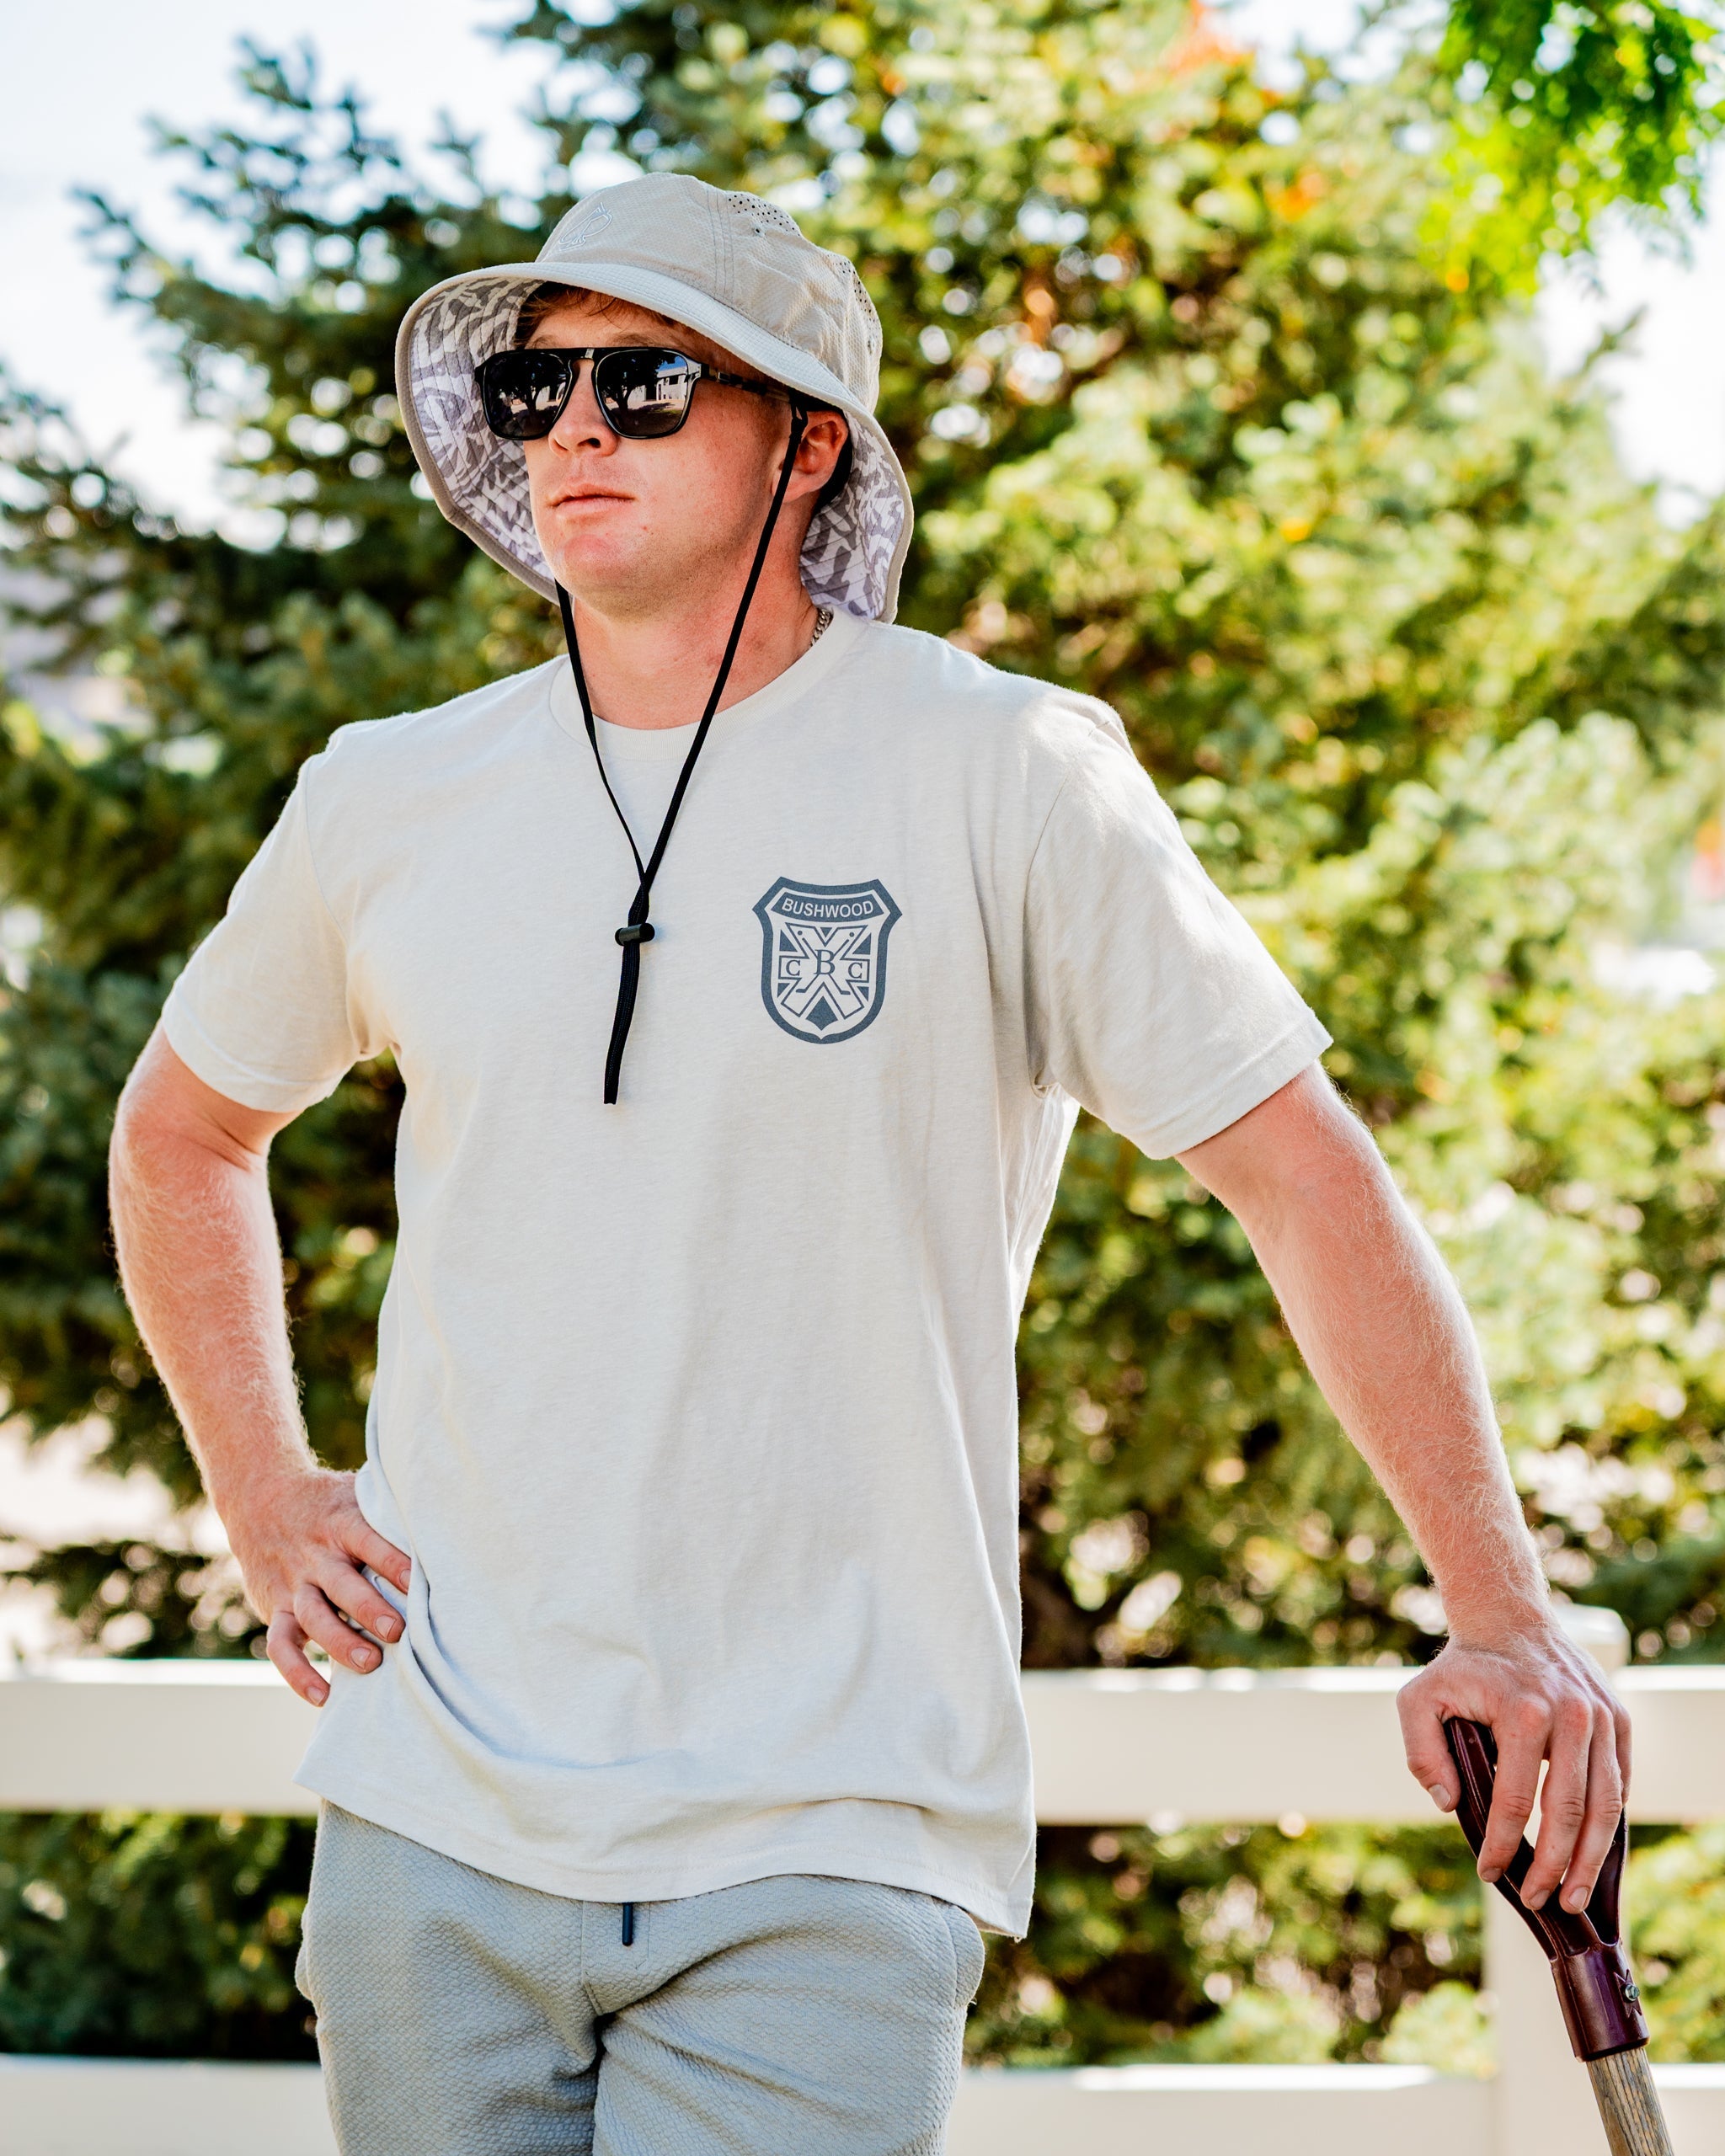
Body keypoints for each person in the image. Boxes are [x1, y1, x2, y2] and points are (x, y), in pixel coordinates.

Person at [109, 173, 1629, 2156]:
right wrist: (261, 1489)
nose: (573, 426)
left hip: (832, 1828)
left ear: (805, 440)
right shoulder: (387, 793)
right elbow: (184, 1130)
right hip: (433, 1813)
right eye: (536, 384)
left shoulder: (1003, 770)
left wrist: (1498, 1606)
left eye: (648, 381)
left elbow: (1299, 1175)